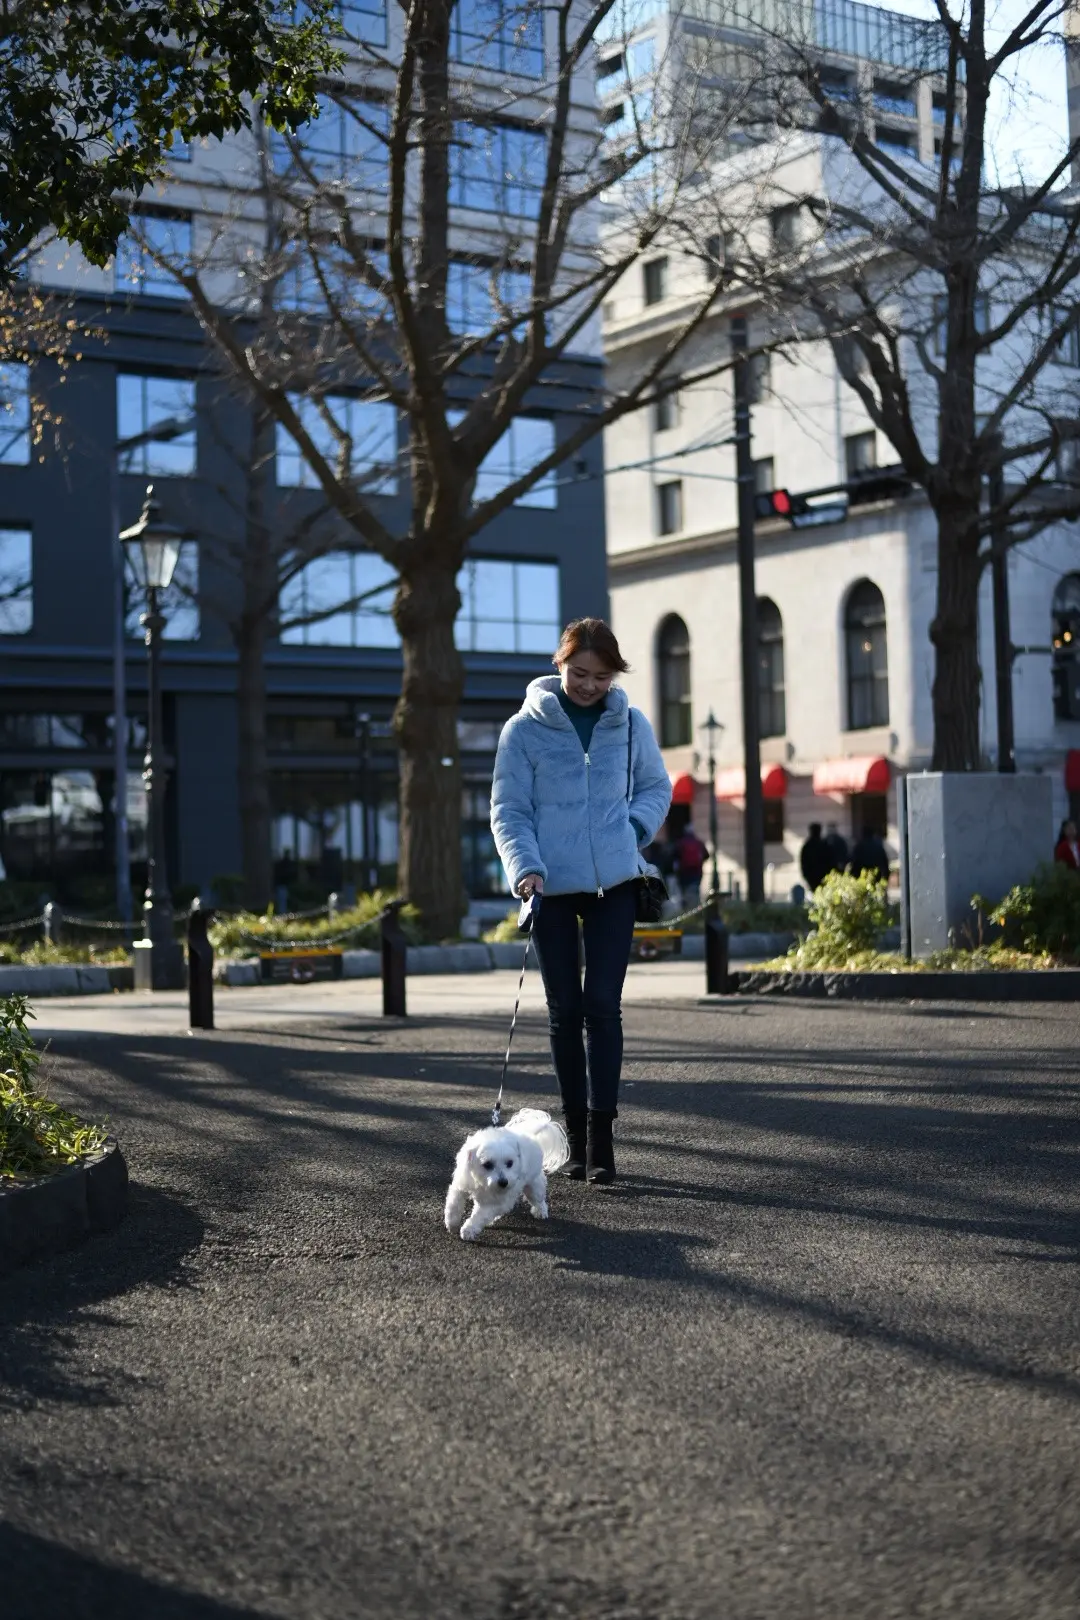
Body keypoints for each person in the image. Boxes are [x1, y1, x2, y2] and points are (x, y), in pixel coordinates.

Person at [490, 617, 671, 1184]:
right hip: (549, 887)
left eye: (601, 676)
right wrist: (526, 868)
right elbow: (509, 810)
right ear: (559, 664)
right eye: (579, 673)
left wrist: (631, 829)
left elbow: (656, 787)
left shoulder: (631, 724)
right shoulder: (523, 730)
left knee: (602, 1007)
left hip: (615, 884)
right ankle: (571, 1138)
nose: (589, 685)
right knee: (565, 1011)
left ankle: (602, 1142)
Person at [673, 823, 708, 906]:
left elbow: (675, 856)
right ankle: (696, 907)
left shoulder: (680, 843)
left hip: (683, 872)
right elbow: (707, 855)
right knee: (695, 890)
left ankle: (685, 907)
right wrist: (700, 862)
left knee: (684, 891)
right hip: (697, 871)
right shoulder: (699, 843)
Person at [799, 822, 834, 891]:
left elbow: (803, 863)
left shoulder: (807, 846)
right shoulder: (823, 844)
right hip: (820, 877)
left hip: (813, 877)